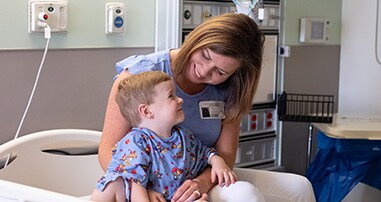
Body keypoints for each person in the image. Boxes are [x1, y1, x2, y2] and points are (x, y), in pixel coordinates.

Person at [98, 13, 316, 202]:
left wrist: (200, 183)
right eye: (205, 56)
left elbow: (226, 154)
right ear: (197, 40)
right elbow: (108, 150)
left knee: (300, 187)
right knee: (245, 196)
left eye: (220, 72)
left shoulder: (228, 91)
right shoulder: (141, 77)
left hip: (203, 177)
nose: (204, 72)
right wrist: (144, 190)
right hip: (146, 184)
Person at [91, 71, 237, 202]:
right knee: (110, 187)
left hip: (174, 197)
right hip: (141, 198)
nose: (180, 100)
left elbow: (205, 153)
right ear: (147, 111)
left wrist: (218, 162)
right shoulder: (136, 141)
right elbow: (134, 183)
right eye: (171, 96)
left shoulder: (183, 136)